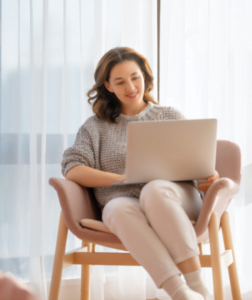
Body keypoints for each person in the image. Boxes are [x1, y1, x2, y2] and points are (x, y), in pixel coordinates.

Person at [61, 47, 219, 300]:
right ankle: (181, 294)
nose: (130, 86)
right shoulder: (95, 127)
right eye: (120, 81)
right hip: (123, 200)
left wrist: (209, 177)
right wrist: (121, 178)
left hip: (174, 198)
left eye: (135, 77)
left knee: (155, 189)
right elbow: (73, 168)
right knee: (116, 209)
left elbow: (196, 163)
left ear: (145, 76)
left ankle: (197, 285)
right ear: (108, 86)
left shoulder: (169, 116)